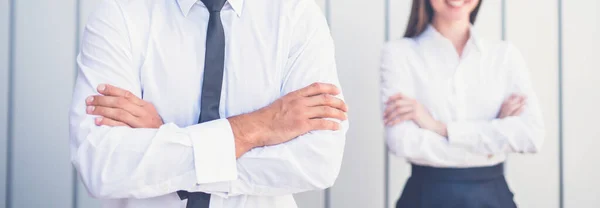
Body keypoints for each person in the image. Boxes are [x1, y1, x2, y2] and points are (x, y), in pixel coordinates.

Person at [68, 0, 349, 207]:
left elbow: (318, 161)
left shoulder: (297, 15)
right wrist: (255, 128)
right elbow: (102, 165)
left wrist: (166, 138)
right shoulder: (119, 15)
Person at [380, 0, 545, 207]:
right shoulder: (399, 54)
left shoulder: (504, 56)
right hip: (426, 197)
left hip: (492, 199)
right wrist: (492, 141)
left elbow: (530, 136)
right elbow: (403, 143)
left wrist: (439, 128)